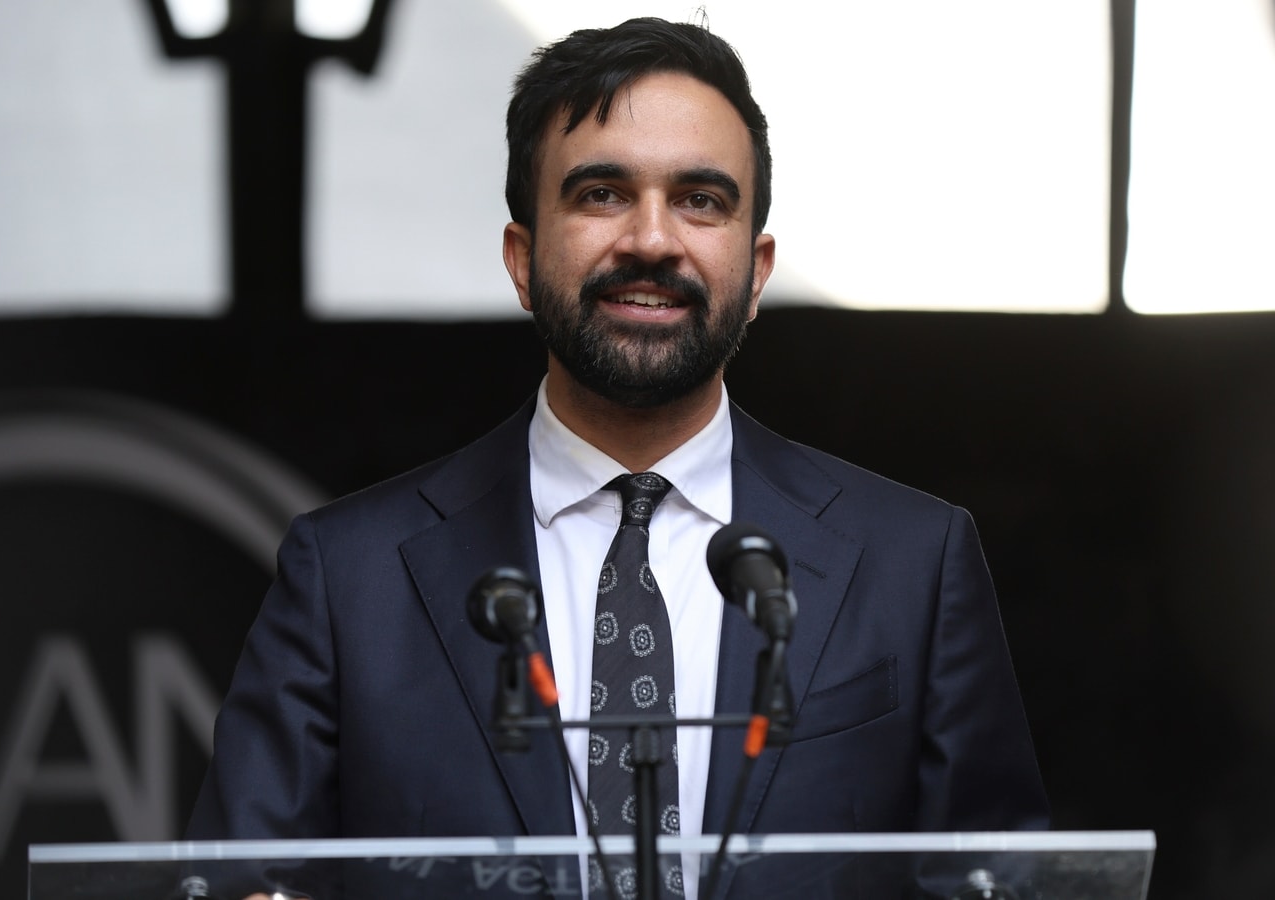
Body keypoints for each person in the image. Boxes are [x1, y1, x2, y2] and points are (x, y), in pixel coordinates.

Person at [187, 16, 1047, 899]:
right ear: (523, 258)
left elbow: (1000, 881)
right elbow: (243, 880)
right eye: (601, 193)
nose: (652, 239)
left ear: (757, 272)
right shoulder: (347, 578)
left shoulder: (914, 564)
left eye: (700, 200)